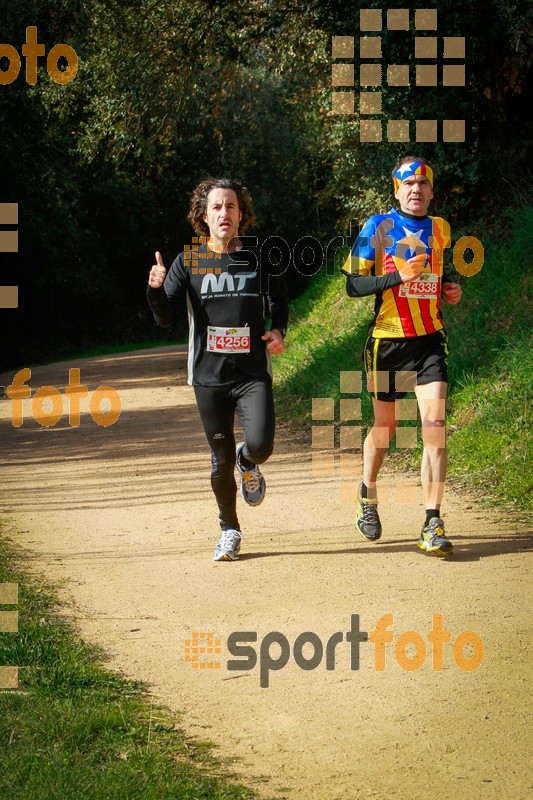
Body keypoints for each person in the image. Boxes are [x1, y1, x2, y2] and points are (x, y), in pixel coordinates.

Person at [147, 178, 288, 561]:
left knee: (261, 445)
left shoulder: (259, 254)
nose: (224, 213)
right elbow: (164, 317)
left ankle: (249, 460)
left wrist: (278, 330)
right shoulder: (188, 261)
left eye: (231, 206)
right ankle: (229, 528)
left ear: (241, 214)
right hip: (208, 377)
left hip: (252, 372)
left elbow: (279, 299)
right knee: (218, 461)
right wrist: (156, 290)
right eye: (217, 207)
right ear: (203, 216)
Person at [342, 156, 462, 557]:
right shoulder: (378, 228)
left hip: (430, 341)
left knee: (435, 425)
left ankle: (432, 520)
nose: (417, 190)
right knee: (386, 428)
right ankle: (368, 494)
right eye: (408, 184)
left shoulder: (441, 229)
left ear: (432, 190)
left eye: (423, 184)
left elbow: (438, 275)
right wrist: (398, 277)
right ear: (396, 190)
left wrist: (449, 288)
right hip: (389, 344)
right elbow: (353, 285)